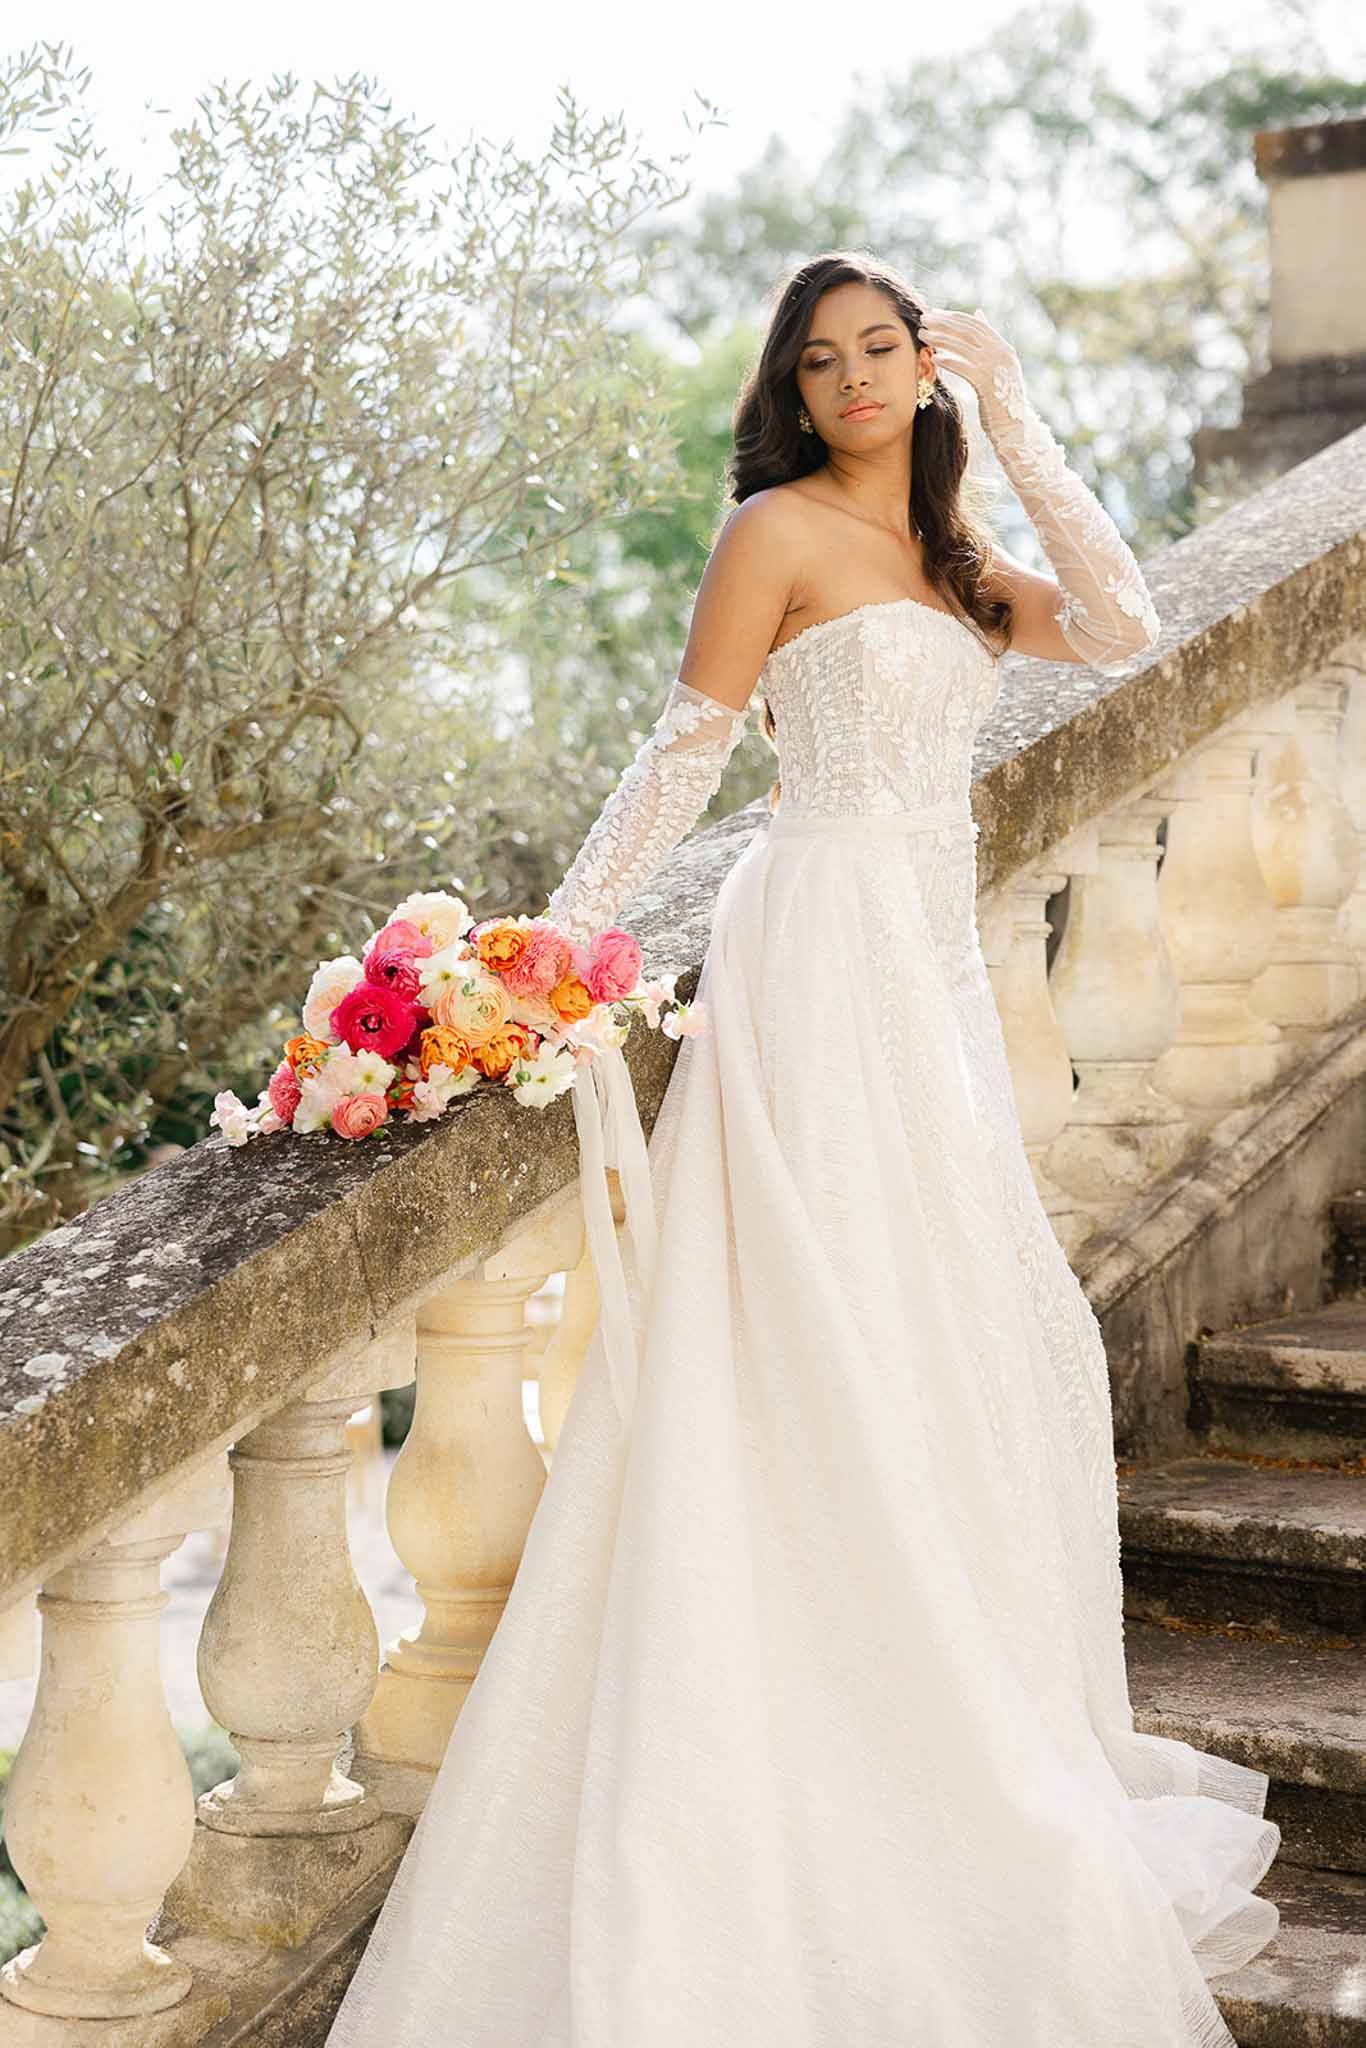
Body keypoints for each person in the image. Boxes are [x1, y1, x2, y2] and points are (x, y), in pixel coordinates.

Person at [325, 252, 1281, 2048]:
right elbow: (681, 757)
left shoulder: (957, 561)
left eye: (882, 349)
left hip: (927, 969)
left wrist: (1017, 419)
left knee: (946, 1322)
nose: (851, 379)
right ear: (791, 387)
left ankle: (923, 1687)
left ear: (922, 367)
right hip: (815, 938)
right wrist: (543, 962)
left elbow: (1124, 622)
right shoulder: (770, 532)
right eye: (822, 358)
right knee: (808, 1302)